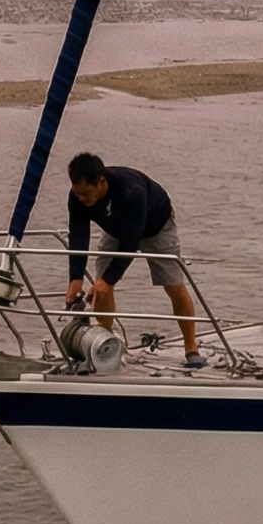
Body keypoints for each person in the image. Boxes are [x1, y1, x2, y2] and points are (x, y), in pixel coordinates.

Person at [62, 151, 203, 367]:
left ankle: (191, 349)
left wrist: (109, 279)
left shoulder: (131, 191)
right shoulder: (78, 197)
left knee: (173, 285)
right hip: (116, 228)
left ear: (101, 182)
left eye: (86, 194)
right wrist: (75, 278)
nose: (82, 199)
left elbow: (131, 241)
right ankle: (106, 344)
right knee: (101, 287)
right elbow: (79, 233)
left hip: (156, 225)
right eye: (77, 193)